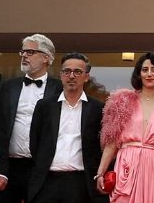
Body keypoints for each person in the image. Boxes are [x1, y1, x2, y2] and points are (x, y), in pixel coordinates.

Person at [98, 53, 154, 203]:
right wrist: (101, 173)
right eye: (145, 70)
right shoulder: (122, 101)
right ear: (139, 74)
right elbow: (111, 141)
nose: (149, 74)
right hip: (126, 165)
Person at [0, 34, 64, 203]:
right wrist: (0, 168)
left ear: (46, 58)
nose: (24, 55)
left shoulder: (59, 89)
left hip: (43, 167)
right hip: (10, 167)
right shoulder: (8, 87)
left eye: (31, 52)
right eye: (23, 51)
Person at [30, 53, 105, 203]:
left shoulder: (97, 108)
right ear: (61, 75)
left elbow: (100, 146)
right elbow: (35, 141)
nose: (71, 76)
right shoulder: (44, 106)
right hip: (47, 181)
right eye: (67, 71)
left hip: (80, 182)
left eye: (77, 72)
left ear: (86, 76)